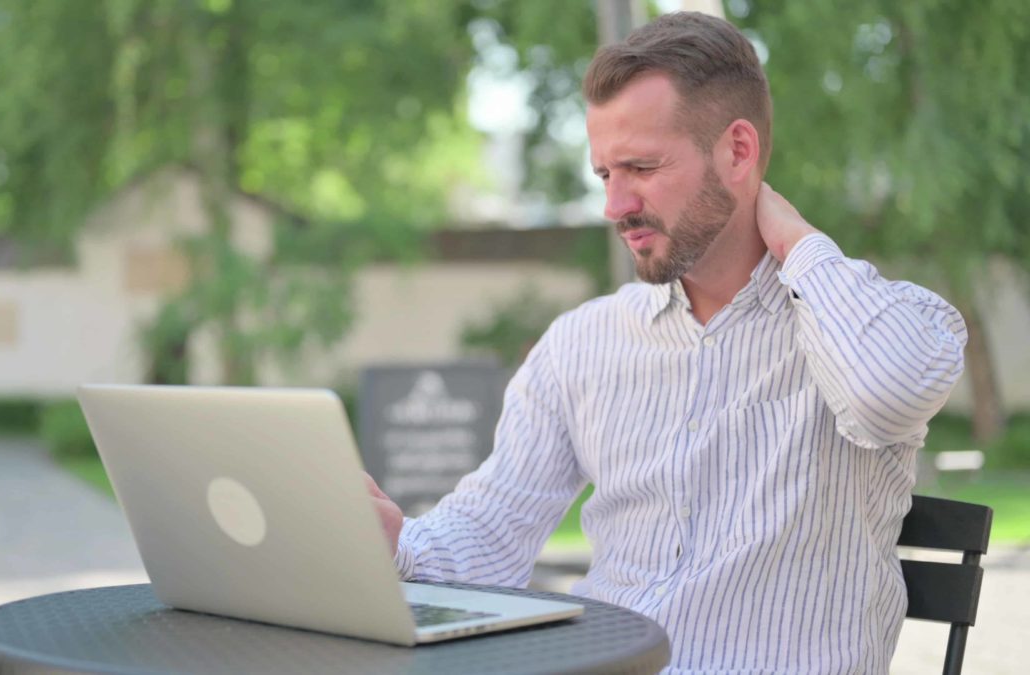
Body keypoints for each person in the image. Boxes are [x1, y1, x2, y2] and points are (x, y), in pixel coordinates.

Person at [366, 11, 967, 674]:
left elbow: (889, 395)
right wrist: (393, 541)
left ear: (738, 152)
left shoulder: (878, 324)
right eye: (604, 174)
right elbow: (488, 536)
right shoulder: (582, 343)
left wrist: (797, 242)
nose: (614, 206)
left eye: (642, 168)